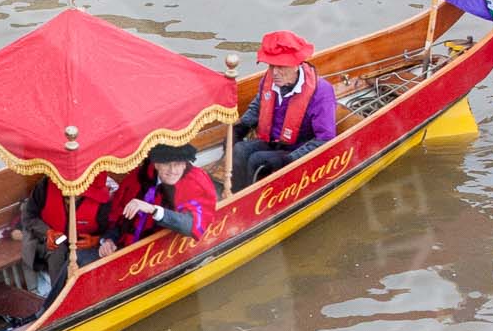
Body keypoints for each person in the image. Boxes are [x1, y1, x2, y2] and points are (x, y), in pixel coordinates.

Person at [228, 30, 340, 191]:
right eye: (271, 66)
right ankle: (236, 194)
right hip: (273, 141)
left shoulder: (321, 92)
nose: (274, 73)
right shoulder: (270, 80)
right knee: (239, 149)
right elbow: (259, 104)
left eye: (281, 66)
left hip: (297, 147)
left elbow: (325, 138)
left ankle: (260, 201)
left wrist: (290, 160)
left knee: (257, 160)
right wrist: (241, 127)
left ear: (296, 65)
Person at [9, 170, 123, 297]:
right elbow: (29, 216)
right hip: (46, 244)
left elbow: (112, 228)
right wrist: (47, 231)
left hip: (83, 250)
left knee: (87, 259)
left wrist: (96, 240)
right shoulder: (46, 186)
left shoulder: (104, 200)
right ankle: (58, 298)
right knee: (56, 251)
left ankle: (87, 298)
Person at [108, 141, 219, 247]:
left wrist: (153, 210)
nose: (172, 170)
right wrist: (109, 239)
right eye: (166, 164)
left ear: (185, 164)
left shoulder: (194, 182)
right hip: (130, 249)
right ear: (156, 164)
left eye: (178, 164)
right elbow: (119, 215)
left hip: (164, 250)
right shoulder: (138, 178)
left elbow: (189, 224)